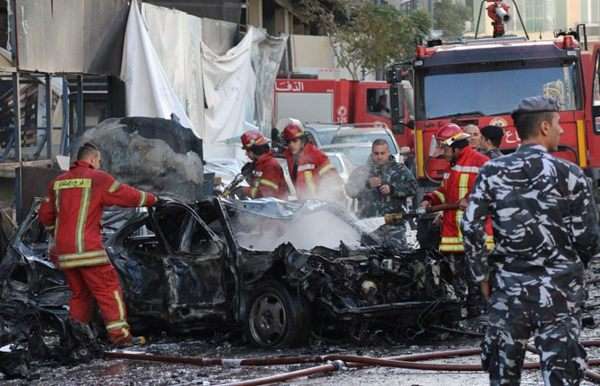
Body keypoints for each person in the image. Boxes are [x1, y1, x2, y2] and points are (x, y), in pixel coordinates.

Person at [462, 96, 600, 385]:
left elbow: (471, 225)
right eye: (558, 125)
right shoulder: (570, 174)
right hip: (559, 291)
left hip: (509, 287)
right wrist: (568, 268)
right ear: (545, 126)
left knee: (503, 372)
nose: (561, 131)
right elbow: (588, 237)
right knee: (561, 372)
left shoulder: (491, 171)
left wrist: (482, 274)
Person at [39, 142, 157, 347]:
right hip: (88, 250)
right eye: (99, 160)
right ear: (93, 159)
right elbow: (127, 195)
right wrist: (153, 199)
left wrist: (57, 235)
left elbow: (45, 215)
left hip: (64, 252)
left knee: (80, 295)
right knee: (108, 290)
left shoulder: (58, 182)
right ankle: (121, 338)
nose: (99, 163)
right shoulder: (98, 178)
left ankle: (76, 339)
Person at [420, 123, 493, 309]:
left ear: (455, 146)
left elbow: (491, 190)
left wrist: (471, 198)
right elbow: (445, 192)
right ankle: (466, 309)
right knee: (458, 277)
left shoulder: (480, 162)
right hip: (455, 234)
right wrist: (430, 200)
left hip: (475, 235)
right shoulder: (453, 166)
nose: (442, 152)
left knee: (477, 278)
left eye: (444, 147)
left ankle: (481, 315)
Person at [346, 139, 417, 218]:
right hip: (367, 222)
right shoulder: (362, 171)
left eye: (382, 153)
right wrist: (367, 184)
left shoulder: (400, 170)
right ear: (372, 153)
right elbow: (350, 191)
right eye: (376, 153)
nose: (379, 157)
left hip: (394, 224)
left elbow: (413, 188)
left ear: (388, 153)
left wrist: (392, 189)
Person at [281, 118, 342, 201]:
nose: (291, 144)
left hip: (319, 204)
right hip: (304, 205)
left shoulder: (316, 155)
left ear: (302, 140)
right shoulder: (290, 157)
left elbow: (332, 179)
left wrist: (327, 199)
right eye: (288, 142)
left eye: (294, 140)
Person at [240, 130, 288, 200]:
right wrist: (249, 178)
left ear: (254, 149)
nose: (246, 154)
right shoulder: (259, 164)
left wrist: (244, 191)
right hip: (263, 206)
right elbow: (258, 186)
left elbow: (267, 193)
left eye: (247, 151)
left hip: (274, 208)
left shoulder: (270, 166)